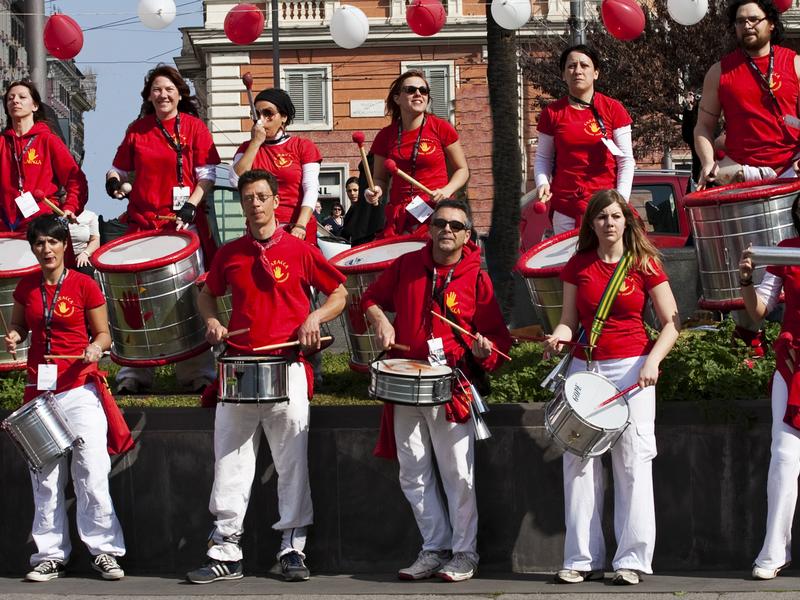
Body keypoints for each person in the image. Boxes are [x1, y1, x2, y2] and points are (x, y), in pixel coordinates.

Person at [187, 169, 347, 584]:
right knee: (229, 460)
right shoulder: (230, 253)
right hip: (239, 365)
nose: (255, 204)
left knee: (291, 460)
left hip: (287, 364)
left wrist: (315, 316)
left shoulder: (299, 249)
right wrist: (213, 323)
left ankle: (293, 547)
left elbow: (340, 293)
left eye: (262, 197)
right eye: (248, 198)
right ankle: (225, 549)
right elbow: (206, 294)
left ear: (277, 201)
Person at [362, 199, 511, 582]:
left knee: (458, 473)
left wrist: (484, 350)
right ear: (429, 229)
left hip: (452, 385)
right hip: (406, 382)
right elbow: (370, 298)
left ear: (467, 235)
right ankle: (434, 547)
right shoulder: (407, 265)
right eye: (440, 223)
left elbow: (497, 337)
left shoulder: (476, 276)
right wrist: (380, 319)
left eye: (455, 226)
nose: (447, 230)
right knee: (412, 472)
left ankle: (464, 552)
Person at [543, 189, 679, 585]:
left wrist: (652, 362)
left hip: (633, 369)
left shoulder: (644, 263)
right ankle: (581, 559)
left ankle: (631, 560)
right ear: (591, 224)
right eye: (601, 217)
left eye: (615, 216)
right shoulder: (577, 265)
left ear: (627, 221)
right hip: (586, 371)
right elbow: (570, 321)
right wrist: (559, 336)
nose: (608, 223)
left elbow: (671, 321)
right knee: (579, 462)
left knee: (633, 462)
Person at [4, 214, 133, 582]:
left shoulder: (84, 285)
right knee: (44, 478)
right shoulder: (26, 287)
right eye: (39, 243)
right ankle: (49, 555)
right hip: (38, 394)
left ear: (66, 246)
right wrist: (14, 336)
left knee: (91, 471)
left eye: (52, 242)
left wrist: (95, 348)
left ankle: (105, 550)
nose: (46, 249)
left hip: (79, 388)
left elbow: (105, 334)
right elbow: (18, 325)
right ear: (33, 248)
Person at [106, 64, 220, 395]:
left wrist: (191, 205)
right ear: (148, 96)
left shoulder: (196, 128)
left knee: (189, 297)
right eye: (156, 89)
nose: (163, 94)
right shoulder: (137, 130)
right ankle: (134, 374)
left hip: (183, 226)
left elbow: (208, 174)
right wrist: (113, 183)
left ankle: (196, 373)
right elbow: (118, 169)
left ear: (180, 93)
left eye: (169, 88)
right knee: (136, 299)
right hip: (143, 225)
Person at [739, 203, 800, 580]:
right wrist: (746, 281)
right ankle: (775, 549)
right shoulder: (786, 248)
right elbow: (760, 311)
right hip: (793, 365)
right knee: (784, 456)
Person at [694, 0, 800, 188]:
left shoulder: (795, 64)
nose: (747, 26)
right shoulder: (719, 72)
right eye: (740, 21)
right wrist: (708, 161)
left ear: (771, 23)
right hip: (741, 169)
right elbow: (703, 126)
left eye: (753, 19)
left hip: (791, 167)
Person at [534, 45, 635, 234]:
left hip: (606, 206)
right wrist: (542, 183)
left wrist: (620, 202)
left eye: (584, 65)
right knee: (569, 263)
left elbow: (626, 160)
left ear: (596, 73)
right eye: (571, 66)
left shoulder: (613, 109)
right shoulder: (552, 113)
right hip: (566, 206)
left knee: (606, 262)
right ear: (564, 74)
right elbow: (543, 158)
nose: (578, 71)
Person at [366, 71, 469, 237]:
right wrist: (375, 190)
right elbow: (380, 178)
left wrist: (446, 190)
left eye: (424, 90)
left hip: (435, 210)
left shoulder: (441, 127)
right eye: (411, 89)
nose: (418, 94)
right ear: (397, 98)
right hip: (400, 214)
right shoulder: (385, 135)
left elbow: (462, 170)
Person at [230, 88, 322, 245]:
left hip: (297, 228)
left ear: (284, 117)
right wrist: (256, 143)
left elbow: (311, 188)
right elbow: (235, 181)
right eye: (257, 115)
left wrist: (300, 225)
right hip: (260, 230)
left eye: (268, 114)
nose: (261, 121)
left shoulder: (303, 146)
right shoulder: (247, 149)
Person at [1, 81, 87, 232]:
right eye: (10, 98)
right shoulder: (2, 143)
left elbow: (75, 179)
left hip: (43, 225)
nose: (15, 100)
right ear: (7, 108)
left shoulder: (49, 140)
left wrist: (70, 206)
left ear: (35, 106)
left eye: (22, 97)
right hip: (6, 226)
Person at [68, 208, 100, 277]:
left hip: (81, 256)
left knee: (86, 271)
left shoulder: (90, 215)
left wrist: (85, 254)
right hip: (61, 257)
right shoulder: (54, 215)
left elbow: (95, 240)